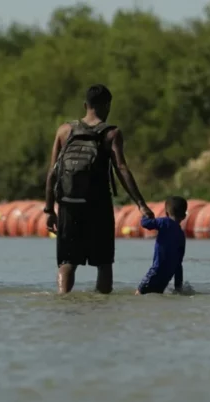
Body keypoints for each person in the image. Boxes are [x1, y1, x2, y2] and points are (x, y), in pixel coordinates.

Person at [45, 84, 154, 294]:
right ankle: (102, 305)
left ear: (85, 105)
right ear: (107, 106)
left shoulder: (64, 131)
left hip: (68, 204)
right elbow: (122, 169)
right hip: (98, 206)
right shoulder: (111, 133)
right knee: (103, 263)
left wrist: (49, 210)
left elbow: (52, 173)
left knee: (67, 261)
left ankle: (63, 299)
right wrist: (140, 204)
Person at [136, 196, 188, 295]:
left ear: (166, 213)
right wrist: (178, 287)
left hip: (155, 271)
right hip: (167, 276)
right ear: (184, 216)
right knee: (156, 295)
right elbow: (179, 264)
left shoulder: (164, 222)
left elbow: (146, 224)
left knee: (138, 295)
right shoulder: (181, 235)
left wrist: (145, 214)